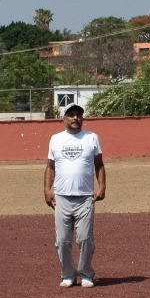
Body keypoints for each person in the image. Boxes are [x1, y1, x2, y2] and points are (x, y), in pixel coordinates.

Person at [44, 104, 106, 288]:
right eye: (71, 115)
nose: (75, 118)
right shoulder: (56, 139)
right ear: (64, 118)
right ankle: (68, 274)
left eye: (78, 115)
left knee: (85, 239)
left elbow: (99, 164)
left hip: (85, 197)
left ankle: (86, 274)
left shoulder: (91, 138)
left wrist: (102, 186)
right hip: (62, 197)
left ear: (82, 118)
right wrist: (47, 189)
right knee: (62, 241)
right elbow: (50, 166)